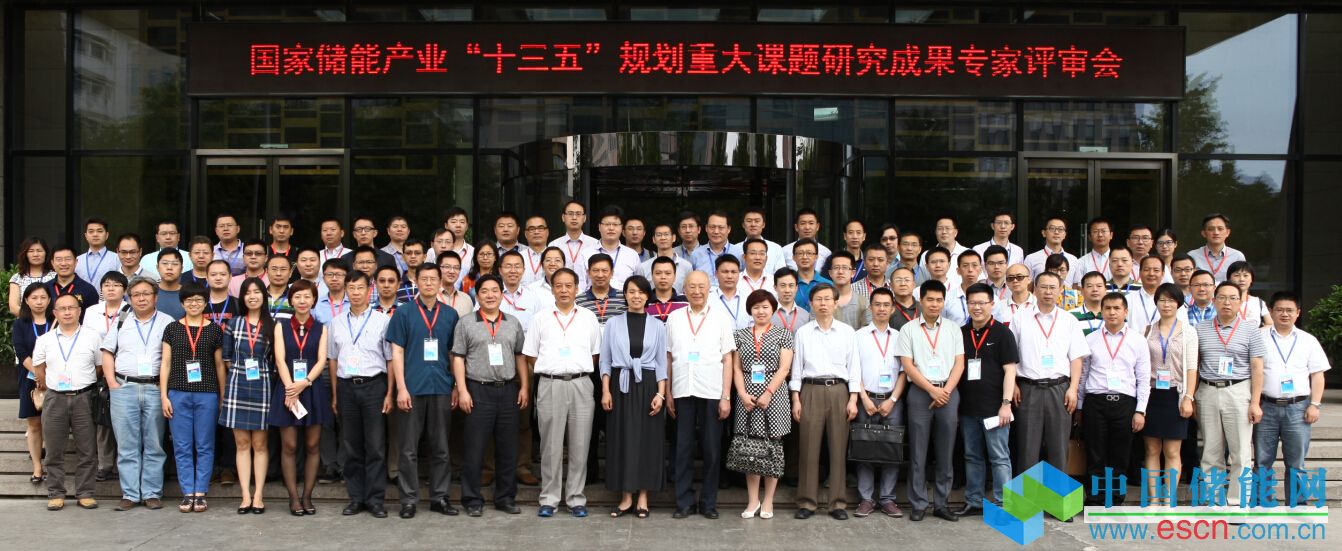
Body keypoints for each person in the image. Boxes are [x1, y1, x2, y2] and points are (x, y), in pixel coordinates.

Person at [523, 268, 601, 518]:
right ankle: (549, 498)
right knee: (551, 445)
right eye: (559, 285)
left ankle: (576, 498)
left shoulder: (588, 317)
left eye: (569, 285)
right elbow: (531, 355)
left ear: (577, 289)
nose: (564, 290)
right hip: (550, 384)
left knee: (580, 444)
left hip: (581, 383)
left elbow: (595, 353)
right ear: (553, 289)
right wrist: (553, 369)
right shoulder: (540, 318)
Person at [387, 265, 460, 518]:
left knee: (441, 447)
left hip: (441, 386)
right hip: (412, 387)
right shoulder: (403, 312)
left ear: (440, 283)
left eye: (433, 279)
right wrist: (401, 388)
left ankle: (440, 497)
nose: (429, 283)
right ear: (416, 282)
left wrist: (455, 386)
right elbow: (397, 352)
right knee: (408, 448)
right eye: (424, 279)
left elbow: (454, 354)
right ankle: (408, 500)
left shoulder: (450, 314)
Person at [453, 274, 529, 517]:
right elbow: (458, 358)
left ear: (501, 294)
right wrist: (462, 390)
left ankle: (505, 497)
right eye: (484, 291)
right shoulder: (466, 323)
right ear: (477, 295)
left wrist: (524, 386)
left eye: (495, 290)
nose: (490, 295)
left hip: (508, 390)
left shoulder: (513, 322)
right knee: (474, 448)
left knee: (508, 448)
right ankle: (471, 499)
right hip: (478, 390)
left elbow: (520, 356)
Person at [665, 271, 736, 520]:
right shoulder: (674, 318)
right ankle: (684, 502)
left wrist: (726, 396)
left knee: (712, 450)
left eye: (701, 286)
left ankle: (708, 502)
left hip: (712, 391)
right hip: (682, 390)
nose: (697, 291)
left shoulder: (720, 318)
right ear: (684, 289)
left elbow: (728, 359)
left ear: (709, 289)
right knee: (682, 449)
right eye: (692, 286)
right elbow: (668, 357)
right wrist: (668, 392)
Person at [100, 276, 173, 511]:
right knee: (127, 444)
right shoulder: (122, 320)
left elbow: (171, 359)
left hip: (154, 388)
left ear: (156, 297)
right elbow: (107, 352)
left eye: (146, 294)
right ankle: (130, 494)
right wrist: (112, 383)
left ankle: (151, 493)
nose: (141, 298)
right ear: (129, 298)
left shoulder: (167, 322)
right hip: (124, 387)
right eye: (136, 295)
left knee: (154, 443)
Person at [599, 276, 668, 519]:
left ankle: (643, 497)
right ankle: (626, 496)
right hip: (620, 384)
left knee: (647, 440)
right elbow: (605, 360)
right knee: (623, 438)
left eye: (641, 292)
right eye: (631, 291)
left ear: (648, 296)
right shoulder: (613, 323)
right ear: (625, 295)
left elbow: (661, 363)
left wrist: (661, 393)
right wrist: (606, 390)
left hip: (648, 385)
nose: (636, 296)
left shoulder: (658, 326)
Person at [789, 283, 859, 520]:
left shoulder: (847, 332)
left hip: (839, 391)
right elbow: (796, 368)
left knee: (838, 448)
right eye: (818, 299)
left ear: (836, 303)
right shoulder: (803, 333)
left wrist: (853, 398)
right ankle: (807, 502)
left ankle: (837, 502)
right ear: (811, 303)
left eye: (828, 299)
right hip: (810, 390)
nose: (823, 303)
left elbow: (854, 367)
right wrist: (796, 398)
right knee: (808, 448)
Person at [898, 280, 965, 522]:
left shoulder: (953, 329)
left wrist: (945, 390)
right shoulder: (908, 329)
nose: (934, 304)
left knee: (945, 451)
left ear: (943, 302)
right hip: (920, 392)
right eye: (930, 300)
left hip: (948, 391)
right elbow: (907, 365)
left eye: (939, 300)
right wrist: (930, 390)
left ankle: (941, 503)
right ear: (921, 301)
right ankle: (918, 504)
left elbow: (959, 363)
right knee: (918, 451)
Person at [1011, 272, 1090, 474]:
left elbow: (1076, 358)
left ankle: (1058, 495)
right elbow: (1010, 356)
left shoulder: (1069, 320)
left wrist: (1073, 389)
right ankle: (1028, 495)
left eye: (1053, 287)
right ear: (1034, 289)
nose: (1048, 292)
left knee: (1058, 448)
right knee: (1027, 448)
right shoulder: (1020, 317)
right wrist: (1013, 384)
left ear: (1060, 290)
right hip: (1028, 388)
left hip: (1059, 389)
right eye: (1043, 287)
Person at [1195, 281, 1266, 506]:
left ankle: (1237, 503)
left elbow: (1257, 367)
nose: (1227, 302)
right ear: (1213, 300)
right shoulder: (1200, 328)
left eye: (1233, 298)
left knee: (1240, 452)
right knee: (1211, 451)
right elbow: (1194, 365)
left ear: (1241, 301)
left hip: (1238, 390)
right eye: (1222, 297)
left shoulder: (1251, 329)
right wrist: (1191, 396)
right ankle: (1214, 501)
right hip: (1207, 390)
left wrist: (1255, 402)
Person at [329, 271, 393, 519]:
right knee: (351, 445)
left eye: (360, 288)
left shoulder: (382, 321)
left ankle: (375, 499)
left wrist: (389, 392)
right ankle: (356, 497)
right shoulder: (336, 322)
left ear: (369, 290)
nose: (355, 293)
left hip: (374, 386)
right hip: (346, 387)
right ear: (346, 291)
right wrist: (335, 393)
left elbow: (390, 359)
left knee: (375, 445)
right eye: (351, 288)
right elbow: (333, 360)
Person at [1077, 292, 1150, 506]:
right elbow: (1083, 375)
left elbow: (1143, 378)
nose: (1112, 312)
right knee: (1095, 453)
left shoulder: (1137, 340)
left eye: (1117, 308)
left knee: (1120, 454)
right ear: (1101, 311)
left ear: (1125, 312)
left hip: (1125, 403)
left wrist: (1140, 410)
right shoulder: (1091, 339)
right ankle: (1095, 498)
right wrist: (1080, 407)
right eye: (1107, 308)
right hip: (1095, 402)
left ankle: (1115, 499)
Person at [160, 283, 226, 513]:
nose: (194, 304)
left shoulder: (214, 330)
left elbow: (220, 365)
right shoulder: (172, 328)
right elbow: (165, 363)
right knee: (182, 445)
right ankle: (188, 492)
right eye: (189, 300)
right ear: (182, 303)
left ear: (206, 302)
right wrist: (164, 396)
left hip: (207, 393)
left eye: (199, 300)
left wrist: (222, 395)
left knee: (205, 444)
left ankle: (201, 493)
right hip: (177, 392)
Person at [33, 293, 103, 511]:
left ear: (79, 311)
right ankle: (56, 493)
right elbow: (38, 368)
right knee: (54, 450)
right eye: (62, 309)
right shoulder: (45, 340)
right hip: (55, 398)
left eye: (71, 308)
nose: (67, 312)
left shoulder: (92, 337)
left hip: (85, 397)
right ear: (55, 313)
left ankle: (85, 493)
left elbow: (99, 367)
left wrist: (83, 383)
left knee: (87, 449)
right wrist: (51, 384)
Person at [268, 280, 331, 517]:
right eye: (297, 297)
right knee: (290, 445)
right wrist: (290, 389)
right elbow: (279, 359)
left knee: (313, 445)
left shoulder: (321, 328)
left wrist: (304, 383)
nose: (302, 301)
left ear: (314, 300)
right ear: (291, 300)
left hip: (312, 388)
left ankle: (307, 496)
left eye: (307, 297)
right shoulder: (281, 326)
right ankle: (293, 497)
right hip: (286, 388)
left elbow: (322, 360)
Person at [956, 283, 1018, 517]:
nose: (977, 307)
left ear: (992, 304)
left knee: (999, 457)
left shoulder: (1003, 333)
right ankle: (974, 501)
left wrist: (1006, 404)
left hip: (995, 408)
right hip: (968, 408)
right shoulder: (961, 333)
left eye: (982, 303)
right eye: (972, 303)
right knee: (972, 456)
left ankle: (1004, 504)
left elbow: (1010, 370)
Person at [731, 288, 793, 519]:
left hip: (774, 395)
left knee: (773, 447)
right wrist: (742, 393)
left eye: (765, 307)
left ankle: (768, 500)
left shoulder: (783, 334)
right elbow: (737, 368)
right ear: (750, 310)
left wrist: (768, 392)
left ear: (773, 309)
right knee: (750, 447)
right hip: (746, 395)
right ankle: (753, 500)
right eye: (756, 307)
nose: (761, 311)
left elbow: (784, 368)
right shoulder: (739, 335)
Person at [1255, 292, 1331, 475]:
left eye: (1289, 310)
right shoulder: (1258, 337)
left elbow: (1318, 375)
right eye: (1279, 310)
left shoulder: (1308, 340)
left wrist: (1315, 405)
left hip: (1298, 408)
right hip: (1266, 406)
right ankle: (1262, 495)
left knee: (1297, 464)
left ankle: (1296, 496)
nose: (1284, 314)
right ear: (1271, 311)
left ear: (1298, 312)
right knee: (1262, 463)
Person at [1139, 283, 1198, 505]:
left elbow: (1192, 368)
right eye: (1162, 300)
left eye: (1171, 300)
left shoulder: (1188, 332)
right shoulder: (1147, 331)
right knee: (1151, 448)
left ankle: (1169, 499)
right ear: (1156, 303)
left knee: (1172, 451)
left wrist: (1188, 397)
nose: (1166, 304)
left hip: (1176, 394)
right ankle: (1154, 498)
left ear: (1179, 304)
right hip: (1152, 394)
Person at [220, 277, 275, 514]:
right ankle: (245, 496)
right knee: (242, 444)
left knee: (260, 444)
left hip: (263, 385)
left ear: (264, 296)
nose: (252, 296)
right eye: (248, 293)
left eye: (257, 292)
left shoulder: (272, 325)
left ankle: (259, 495)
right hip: (237, 385)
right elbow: (227, 358)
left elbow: (275, 360)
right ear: (242, 297)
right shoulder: (233, 324)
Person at [852, 288, 904, 519]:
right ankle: (866, 499)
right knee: (863, 448)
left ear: (893, 309)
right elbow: (854, 370)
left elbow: (904, 372)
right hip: (865, 399)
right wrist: (863, 398)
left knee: (892, 448)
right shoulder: (858, 336)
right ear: (870, 307)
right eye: (877, 304)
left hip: (892, 400)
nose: (881, 309)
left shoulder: (901, 336)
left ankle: (887, 499)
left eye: (886, 305)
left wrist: (893, 399)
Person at [81, 271, 129, 483]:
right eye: (107, 285)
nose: (111, 288)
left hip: (125, 371)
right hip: (98, 370)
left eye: (116, 285)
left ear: (124, 290)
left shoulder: (130, 310)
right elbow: (86, 339)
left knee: (125, 420)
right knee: (103, 419)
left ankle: (123, 463)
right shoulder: (92, 311)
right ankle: (105, 464)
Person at [14, 284, 54, 485]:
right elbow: (22, 353)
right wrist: (39, 375)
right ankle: (37, 467)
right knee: (34, 424)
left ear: (49, 300)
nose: (39, 302)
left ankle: (54, 467)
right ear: (27, 301)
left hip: (56, 379)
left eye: (43, 297)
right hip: (30, 379)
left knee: (53, 423)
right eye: (34, 298)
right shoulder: (20, 324)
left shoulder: (56, 321)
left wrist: (47, 376)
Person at [549, 201, 600, 290]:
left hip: (588, 294)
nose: (574, 217)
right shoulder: (554, 245)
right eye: (570, 214)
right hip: (562, 292)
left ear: (584, 218)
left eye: (578, 214)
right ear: (563, 217)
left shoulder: (595, 244)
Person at [586, 207, 640, 290]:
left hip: (623, 298)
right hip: (593, 298)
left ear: (622, 227)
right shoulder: (586, 253)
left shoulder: (632, 255)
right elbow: (580, 284)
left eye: (615, 224)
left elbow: (639, 285)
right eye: (607, 224)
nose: (611, 228)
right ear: (599, 227)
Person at [45, 246, 100, 318]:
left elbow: (94, 317)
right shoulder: (45, 288)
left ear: (76, 262)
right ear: (52, 263)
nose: (63, 263)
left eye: (68, 259)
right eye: (59, 260)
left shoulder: (88, 289)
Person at [1188, 214, 1245, 282]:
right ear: (1204, 233)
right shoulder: (1192, 256)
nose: (1216, 232)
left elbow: (1242, 282)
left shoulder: (1237, 256)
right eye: (1211, 229)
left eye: (1220, 229)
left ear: (1227, 232)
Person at [728, 207, 785, 275]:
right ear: (743, 225)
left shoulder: (775, 248)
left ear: (763, 224)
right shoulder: (735, 249)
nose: (753, 224)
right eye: (749, 221)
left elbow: (781, 276)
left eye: (757, 221)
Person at [638, 224, 693, 294]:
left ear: (674, 238)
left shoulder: (686, 266)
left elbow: (689, 292)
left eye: (666, 234)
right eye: (659, 235)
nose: (663, 238)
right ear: (654, 239)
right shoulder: (644, 267)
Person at [9, 237, 55, 316]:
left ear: (46, 253)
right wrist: (35, 319)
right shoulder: (17, 278)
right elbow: (13, 307)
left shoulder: (55, 276)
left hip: (51, 321)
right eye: (31, 251)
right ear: (25, 254)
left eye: (39, 251)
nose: (35, 254)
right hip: (25, 320)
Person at [1126, 255, 1169, 334]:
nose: (1151, 273)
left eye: (1156, 270)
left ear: (1163, 274)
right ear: (1140, 273)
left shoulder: (1172, 300)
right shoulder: (1128, 300)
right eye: (1146, 270)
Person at [923, 217, 969, 290]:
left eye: (948, 228)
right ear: (935, 232)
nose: (944, 232)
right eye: (940, 228)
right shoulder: (926, 254)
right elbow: (923, 281)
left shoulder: (968, 253)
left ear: (955, 232)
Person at [826, 251, 870, 329]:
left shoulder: (863, 302)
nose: (840, 272)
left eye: (845, 268)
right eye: (836, 268)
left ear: (853, 273)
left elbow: (868, 331)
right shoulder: (821, 301)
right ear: (830, 273)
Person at [690, 211, 734, 287]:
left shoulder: (738, 252)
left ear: (729, 229)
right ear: (706, 228)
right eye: (712, 227)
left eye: (721, 228)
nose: (716, 232)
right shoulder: (696, 254)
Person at [942, 250, 983, 326]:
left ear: (981, 269)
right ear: (958, 271)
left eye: (974, 265)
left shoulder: (991, 298)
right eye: (965, 265)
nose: (970, 270)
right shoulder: (947, 298)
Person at [709, 255, 750, 329]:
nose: (729, 276)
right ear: (716, 274)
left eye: (734, 272)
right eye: (725, 272)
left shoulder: (748, 298)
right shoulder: (708, 300)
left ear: (739, 274)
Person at [76, 217, 117, 291]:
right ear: (86, 236)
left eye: (99, 231)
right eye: (91, 231)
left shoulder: (116, 258)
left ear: (107, 235)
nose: (95, 234)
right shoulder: (77, 260)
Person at [791, 239, 831, 313]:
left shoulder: (829, 285)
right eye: (800, 253)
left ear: (816, 257)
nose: (804, 257)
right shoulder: (788, 284)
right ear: (794, 257)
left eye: (809, 253)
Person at [1227, 261, 1270, 327]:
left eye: (1245, 275)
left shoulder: (1258, 302)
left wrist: (1257, 331)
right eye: (1237, 275)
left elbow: (1270, 324)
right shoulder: (1224, 301)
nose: (1242, 279)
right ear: (1229, 279)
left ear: (1251, 279)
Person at [647, 256, 689, 322]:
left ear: (675, 277)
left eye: (668, 273)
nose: (663, 277)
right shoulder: (644, 302)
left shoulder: (686, 301)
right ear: (652, 276)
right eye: (658, 273)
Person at [771, 268, 811, 334]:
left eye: (791, 285)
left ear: (796, 288)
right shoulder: (768, 314)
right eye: (783, 286)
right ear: (775, 287)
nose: (787, 290)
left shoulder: (806, 316)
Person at [436, 251, 475, 319]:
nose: (452, 271)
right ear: (437, 269)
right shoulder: (429, 296)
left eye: (456, 268)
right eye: (447, 267)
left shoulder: (466, 299)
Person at [852, 241, 890, 306]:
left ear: (887, 264)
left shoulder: (895, 288)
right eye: (871, 259)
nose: (876, 264)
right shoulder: (853, 289)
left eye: (880, 260)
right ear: (864, 263)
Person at [1070, 271, 1107, 336]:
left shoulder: (1113, 315)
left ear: (1105, 290)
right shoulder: (1070, 316)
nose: (1095, 289)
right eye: (1090, 286)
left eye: (1099, 286)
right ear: (1082, 291)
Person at [314, 260, 350, 325]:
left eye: (339, 274)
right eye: (330, 274)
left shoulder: (355, 303)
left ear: (347, 278)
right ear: (323, 278)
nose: (334, 278)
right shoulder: (316, 305)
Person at [155, 249, 187, 320]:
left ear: (181, 269)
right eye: (165, 263)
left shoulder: (189, 293)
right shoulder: (149, 292)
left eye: (175, 264)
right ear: (157, 267)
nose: (169, 268)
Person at [520, 215, 551, 287]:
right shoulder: (519, 257)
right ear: (525, 234)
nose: (536, 232)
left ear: (547, 232)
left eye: (541, 228)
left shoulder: (555, 257)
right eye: (532, 229)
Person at [204, 260, 237, 325]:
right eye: (213, 274)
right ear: (207, 277)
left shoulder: (238, 304)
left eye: (223, 274)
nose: (218, 278)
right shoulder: (198, 303)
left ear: (230, 277)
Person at [264, 255, 295, 322]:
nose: (278, 273)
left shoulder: (296, 298)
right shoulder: (259, 296)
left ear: (290, 273)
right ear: (266, 271)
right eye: (274, 269)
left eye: (283, 269)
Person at [889, 267, 920, 331]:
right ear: (891, 285)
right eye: (898, 280)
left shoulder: (924, 308)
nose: (903, 284)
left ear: (914, 285)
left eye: (907, 280)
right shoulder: (886, 309)